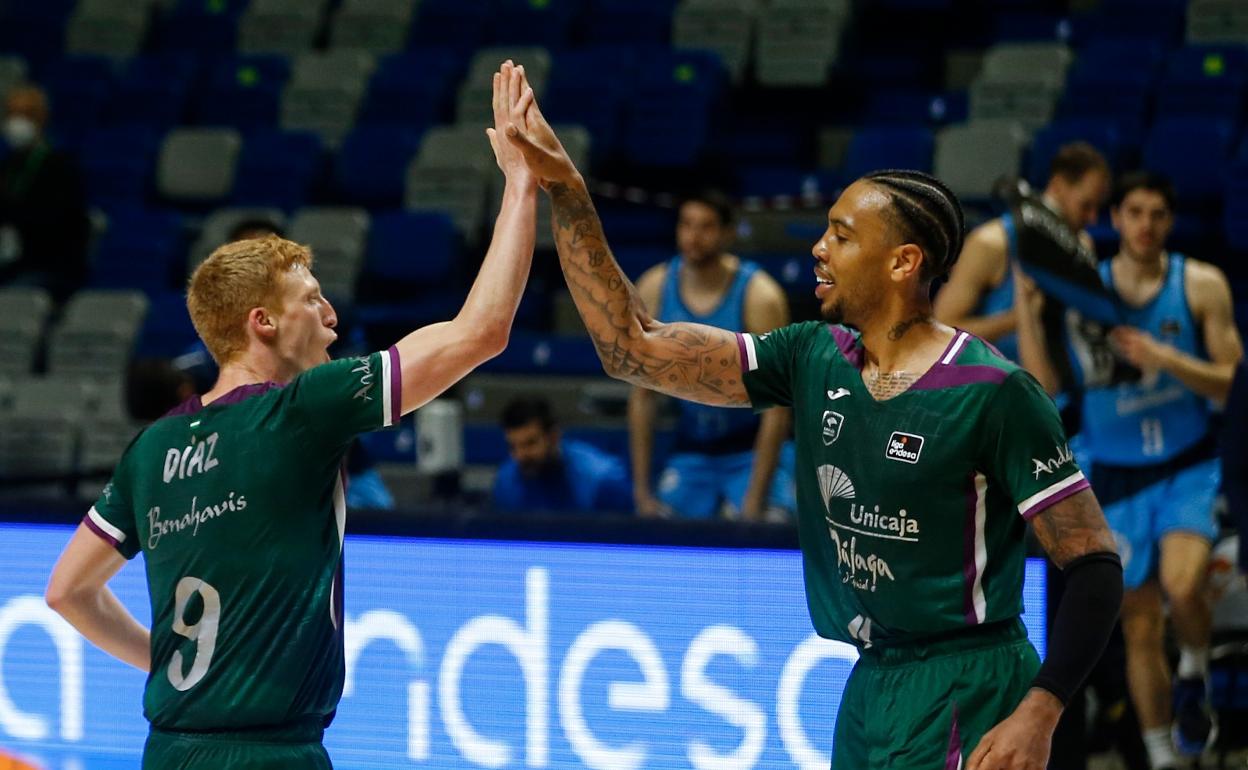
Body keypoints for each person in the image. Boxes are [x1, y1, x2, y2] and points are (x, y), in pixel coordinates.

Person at [502, 70, 1123, 769]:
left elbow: (1095, 563)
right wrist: (565, 188)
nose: (817, 248)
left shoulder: (995, 390)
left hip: (971, 683)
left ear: (902, 261)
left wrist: (1042, 710)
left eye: (841, 235)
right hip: (870, 686)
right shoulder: (810, 356)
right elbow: (631, 350)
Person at [44, 62, 539, 769]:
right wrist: (522, 184)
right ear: (264, 323)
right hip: (272, 755)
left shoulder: (150, 449)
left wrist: (168, 664)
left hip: (168, 750)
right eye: (313, 299)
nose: (332, 316)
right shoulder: (304, 410)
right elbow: (481, 332)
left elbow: (67, 592)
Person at [1016, 172, 1243, 769]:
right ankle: (1163, 754)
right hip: (1111, 473)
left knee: (1183, 582)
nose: (1146, 225)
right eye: (1134, 213)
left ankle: (1195, 667)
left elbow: (1234, 383)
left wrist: (1165, 358)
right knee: (1138, 627)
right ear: (1115, 218)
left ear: (1169, 223)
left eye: (1158, 215)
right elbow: (1047, 388)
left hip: (1184, 464)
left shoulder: (1200, 283)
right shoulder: (1083, 291)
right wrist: (1028, 308)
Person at [629, 189, 794, 520]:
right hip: (692, 451)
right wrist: (642, 492)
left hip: (748, 449)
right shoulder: (655, 287)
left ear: (728, 233)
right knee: (658, 530)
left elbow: (777, 407)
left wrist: (754, 499)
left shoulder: (760, 296)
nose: (694, 236)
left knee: (772, 524)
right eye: (686, 224)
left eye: (706, 227)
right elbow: (642, 398)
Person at [935, 142, 1110, 363]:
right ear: (1057, 186)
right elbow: (943, 331)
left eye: (1098, 208)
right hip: (999, 389)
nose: (1093, 218)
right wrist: (1017, 319)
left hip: (1056, 391)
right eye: (1085, 206)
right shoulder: (992, 243)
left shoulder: (1084, 243)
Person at [0, 84, 90, 302]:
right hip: (13, 264)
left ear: (41, 119)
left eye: (25, 115)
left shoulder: (59, 165)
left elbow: (64, 223)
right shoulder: (10, 166)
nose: (16, 123)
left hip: (51, 267)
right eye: (12, 114)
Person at [493, 396, 632, 514]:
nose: (520, 455)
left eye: (530, 443)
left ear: (554, 437)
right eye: (513, 446)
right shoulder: (506, 480)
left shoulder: (602, 479)